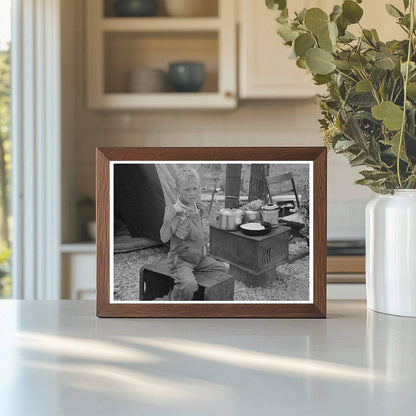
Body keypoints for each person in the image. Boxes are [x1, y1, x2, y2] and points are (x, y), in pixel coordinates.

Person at [160, 167, 228, 300]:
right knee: (189, 286)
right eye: (187, 189)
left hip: (199, 258)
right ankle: (174, 302)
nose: (192, 193)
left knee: (224, 270)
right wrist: (166, 222)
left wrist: (201, 214)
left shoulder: (195, 205)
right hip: (181, 261)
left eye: (195, 188)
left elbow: (195, 231)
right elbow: (163, 238)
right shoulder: (176, 212)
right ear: (177, 190)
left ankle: (202, 297)